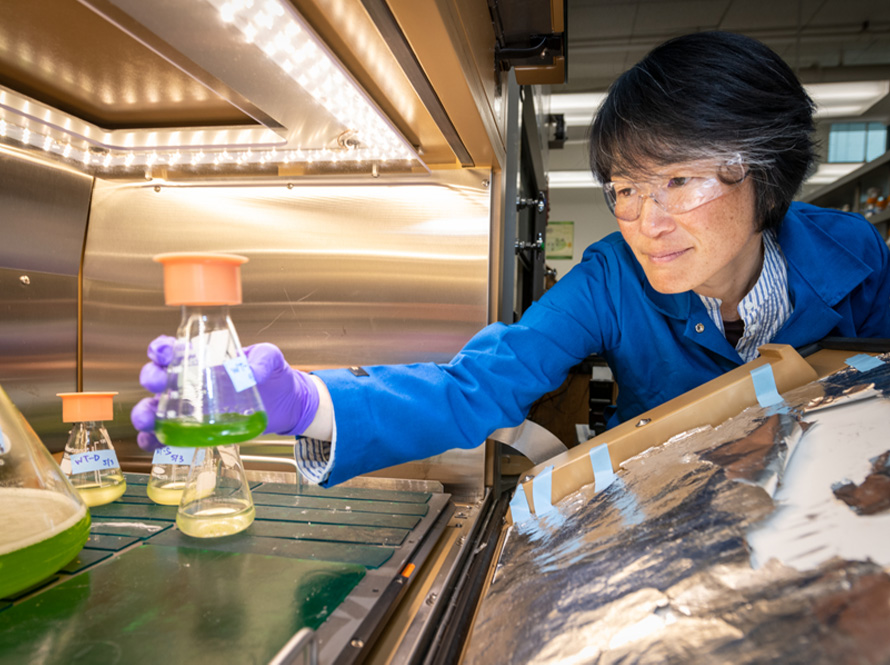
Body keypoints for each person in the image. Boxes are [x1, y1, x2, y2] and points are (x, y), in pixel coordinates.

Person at [132, 31, 890, 487]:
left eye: (678, 182)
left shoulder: (853, 253)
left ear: (767, 170)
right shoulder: (608, 278)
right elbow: (476, 387)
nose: (644, 220)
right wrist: (302, 401)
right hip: (662, 517)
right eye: (624, 188)